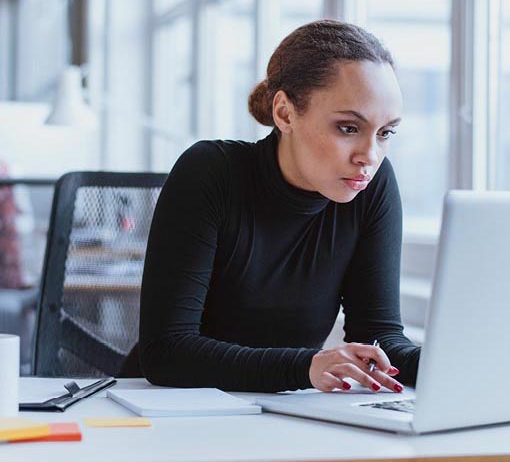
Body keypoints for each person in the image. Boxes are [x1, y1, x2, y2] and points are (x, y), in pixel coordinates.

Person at [137, 19, 421, 393]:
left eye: (385, 133)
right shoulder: (210, 172)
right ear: (285, 113)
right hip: (170, 412)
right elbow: (165, 352)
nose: (369, 156)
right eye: (348, 128)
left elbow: (380, 339)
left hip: (282, 415)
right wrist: (305, 368)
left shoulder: (373, 187)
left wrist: (464, 364)